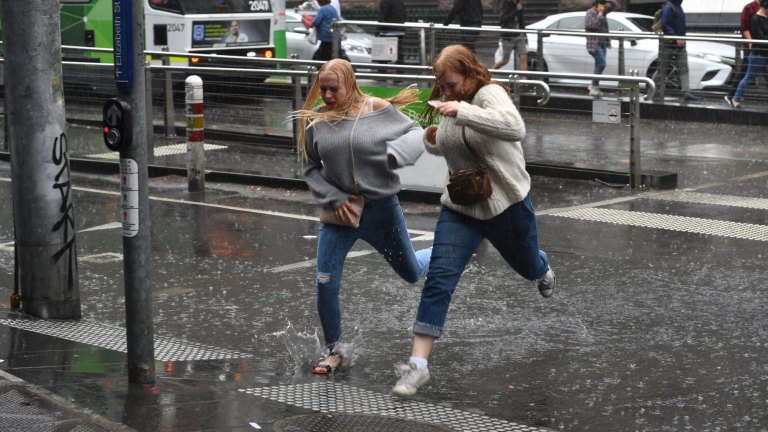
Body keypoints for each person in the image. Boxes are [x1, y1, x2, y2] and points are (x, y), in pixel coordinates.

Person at [391, 45, 555, 397]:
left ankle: (543, 268)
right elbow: (451, 144)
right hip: (461, 208)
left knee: (527, 266)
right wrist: (432, 137)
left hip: (506, 205)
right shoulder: (452, 101)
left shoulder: (488, 94)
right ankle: (417, 367)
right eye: (442, 85)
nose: (446, 91)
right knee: (439, 280)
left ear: (468, 74)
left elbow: (514, 128)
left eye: (450, 84)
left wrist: (462, 110)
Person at [292, 59, 432, 374]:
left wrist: (399, 155)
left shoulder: (377, 109)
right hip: (338, 215)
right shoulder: (318, 122)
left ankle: (446, 252)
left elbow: (415, 131)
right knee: (325, 283)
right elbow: (311, 168)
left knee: (411, 272)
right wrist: (333, 197)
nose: (326, 95)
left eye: (333, 89)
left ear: (350, 84)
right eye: (323, 88)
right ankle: (334, 350)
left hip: (381, 209)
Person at [658, 0, 699, 101]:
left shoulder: (677, 7)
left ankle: (686, 92)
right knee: (663, 69)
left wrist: (680, 38)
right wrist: (676, 37)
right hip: (669, 44)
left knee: (683, 67)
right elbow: (665, 24)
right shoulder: (669, 7)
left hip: (678, 44)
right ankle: (655, 90)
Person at [731, 0, 768, 108]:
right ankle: (736, 98)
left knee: (749, 77)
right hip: (758, 55)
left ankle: (735, 98)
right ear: (765, 7)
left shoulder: (764, 18)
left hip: (764, 54)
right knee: (749, 77)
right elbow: (758, 37)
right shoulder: (756, 19)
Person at [725, 0, 761, 107]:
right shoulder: (749, 8)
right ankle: (732, 95)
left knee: (747, 70)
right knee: (746, 70)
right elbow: (744, 27)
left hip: (762, 45)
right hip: (752, 45)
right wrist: (751, 42)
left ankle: (733, 95)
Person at [584, 0, 618, 97]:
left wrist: (608, 0)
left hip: (603, 42)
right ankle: (594, 86)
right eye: (601, 4)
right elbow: (591, 25)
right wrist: (599, 14)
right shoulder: (590, 12)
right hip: (594, 43)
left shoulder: (604, 11)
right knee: (602, 63)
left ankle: (594, 86)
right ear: (596, 4)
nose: (603, 6)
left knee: (599, 64)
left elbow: (615, 6)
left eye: (604, 4)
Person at [492, 0, 528, 72]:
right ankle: (490, 72)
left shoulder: (519, 4)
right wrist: (516, 11)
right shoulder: (505, 3)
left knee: (523, 56)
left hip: (518, 35)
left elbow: (521, 21)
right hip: (508, 36)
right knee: (505, 60)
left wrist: (525, 35)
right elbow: (503, 19)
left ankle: (524, 81)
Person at [378, 0, 407, 65]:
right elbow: (404, 15)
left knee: (384, 55)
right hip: (399, 31)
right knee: (399, 53)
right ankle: (400, 70)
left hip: (388, 31)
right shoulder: (399, 2)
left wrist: (378, 30)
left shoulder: (385, 1)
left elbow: (383, 16)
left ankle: (383, 70)